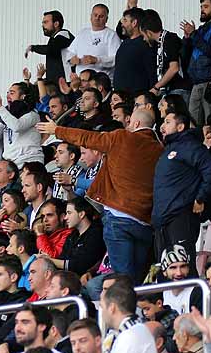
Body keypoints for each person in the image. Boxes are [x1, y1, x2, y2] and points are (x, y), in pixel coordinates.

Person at [43, 110, 164, 282]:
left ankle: (125, 308)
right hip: (145, 222)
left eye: (130, 123)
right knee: (139, 279)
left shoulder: (122, 137)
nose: (127, 126)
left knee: (122, 280)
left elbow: (87, 138)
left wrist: (57, 130)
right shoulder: (160, 149)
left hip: (118, 218)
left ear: (136, 124)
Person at [152, 109, 211, 258]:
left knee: (184, 266)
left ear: (181, 127)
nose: (162, 126)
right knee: (165, 270)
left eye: (168, 122)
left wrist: (200, 198)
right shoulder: (168, 149)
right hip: (162, 219)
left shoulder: (191, 147)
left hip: (181, 216)